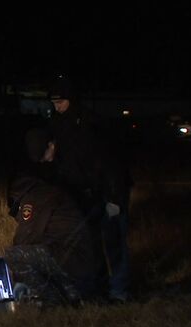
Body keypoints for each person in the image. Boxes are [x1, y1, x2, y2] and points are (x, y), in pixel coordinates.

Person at [47, 76, 133, 303]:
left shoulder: (91, 123)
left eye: (61, 101)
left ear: (71, 99)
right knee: (92, 244)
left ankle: (119, 291)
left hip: (108, 192)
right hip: (84, 195)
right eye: (54, 102)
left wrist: (114, 198)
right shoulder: (59, 123)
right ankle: (100, 287)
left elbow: (111, 164)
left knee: (114, 242)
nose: (57, 106)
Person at [4, 128, 103, 306]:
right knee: (40, 254)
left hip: (76, 261)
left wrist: (16, 281)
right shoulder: (47, 190)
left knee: (15, 255)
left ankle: (53, 301)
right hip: (80, 260)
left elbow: (24, 238)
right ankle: (72, 297)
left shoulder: (35, 197)